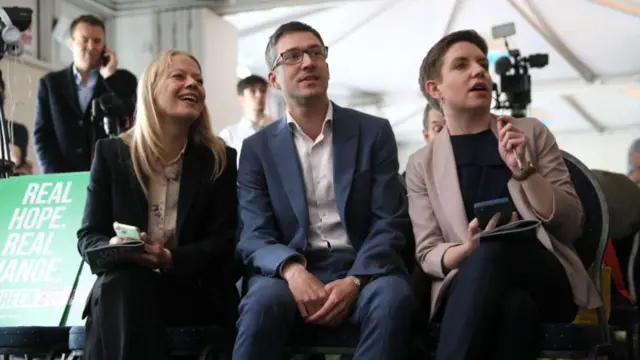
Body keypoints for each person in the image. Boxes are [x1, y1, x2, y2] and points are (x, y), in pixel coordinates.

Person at [405, 30, 602, 360]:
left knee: (493, 251)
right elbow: (427, 253)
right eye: (462, 65)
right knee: (514, 311)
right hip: (471, 283)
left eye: (483, 63)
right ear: (435, 89)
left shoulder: (530, 133)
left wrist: (526, 172)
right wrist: (464, 251)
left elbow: (571, 227)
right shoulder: (420, 164)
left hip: (545, 277)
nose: (479, 71)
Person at [233, 21, 415, 360]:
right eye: (292, 56)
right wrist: (293, 270)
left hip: (363, 268)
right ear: (273, 78)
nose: (307, 62)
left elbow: (389, 221)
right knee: (260, 304)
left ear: (327, 66)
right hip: (288, 272)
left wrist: (355, 280)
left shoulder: (373, 132)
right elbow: (254, 234)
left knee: (393, 299)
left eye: (316, 52)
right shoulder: (256, 149)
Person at [76, 50, 239, 360]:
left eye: (199, 80)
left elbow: (226, 244)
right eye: (179, 76)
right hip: (126, 289)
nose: (193, 84)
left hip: (194, 291)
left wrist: (169, 258)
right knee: (123, 283)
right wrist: (113, 246)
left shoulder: (220, 160)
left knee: (122, 293)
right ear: (150, 91)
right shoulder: (112, 154)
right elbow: (88, 237)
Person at [34, 14, 137, 174]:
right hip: (64, 176)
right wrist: (52, 176)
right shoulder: (50, 84)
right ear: (71, 43)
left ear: (105, 47)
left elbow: (130, 116)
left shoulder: (125, 80)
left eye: (97, 41)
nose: (91, 47)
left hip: (110, 174)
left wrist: (110, 78)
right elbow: (43, 136)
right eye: (84, 39)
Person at [219, 75, 272, 158]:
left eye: (263, 91)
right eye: (253, 91)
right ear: (241, 98)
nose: (259, 95)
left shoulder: (277, 131)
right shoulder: (229, 135)